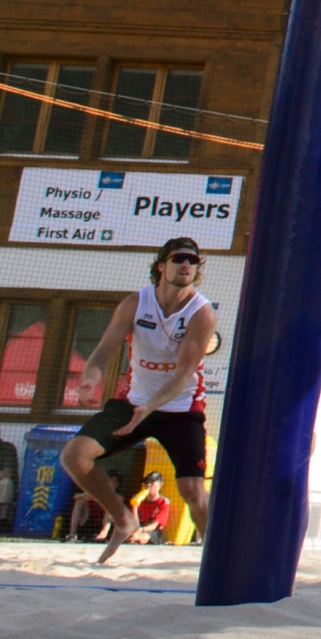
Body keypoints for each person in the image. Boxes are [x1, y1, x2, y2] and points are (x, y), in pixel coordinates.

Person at [61, 236, 217, 564]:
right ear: (162, 265)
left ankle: (214, 557)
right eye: (179, 258)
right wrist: (90, 379)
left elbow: (181, 374)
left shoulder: (201, 313)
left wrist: (151, 406)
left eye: (193, 260)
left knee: (192, 491)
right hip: (134, 401)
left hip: (180, 408)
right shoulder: (136, 303)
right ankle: (122, 519)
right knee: (75, 457)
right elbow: (104, 350)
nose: (187, 264)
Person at [127, 471, 171, 544]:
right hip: (138, 528)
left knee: (141, 538)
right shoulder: (140, 500)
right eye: (146, 483)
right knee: (129, 537)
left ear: (160, 485)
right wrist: (134, 507)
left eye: (152, 482)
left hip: (153, 532)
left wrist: (140, 530)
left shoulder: (163, 502)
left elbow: (154, 526)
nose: (148, 485)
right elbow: (135, 523)